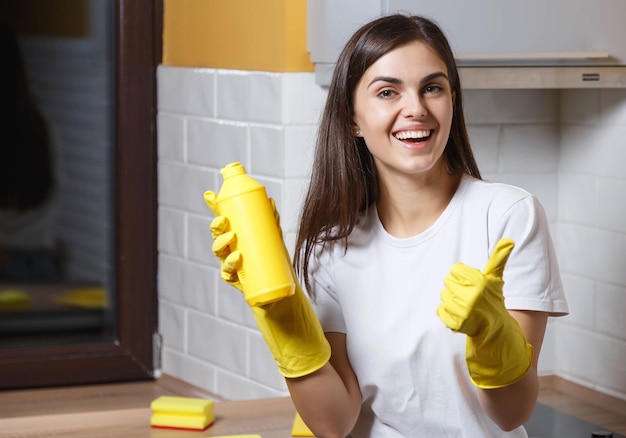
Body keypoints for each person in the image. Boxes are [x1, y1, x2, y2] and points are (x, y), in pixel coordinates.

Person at [206, 13, 569, 437]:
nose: (415, 108)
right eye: (387, 92)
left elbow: (512, 413)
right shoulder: (332, 247)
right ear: (352, 119)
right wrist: (282, 321)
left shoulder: (508, 216)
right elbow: (333, 422)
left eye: (432, 88)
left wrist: (493, 337)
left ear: (453, 99)